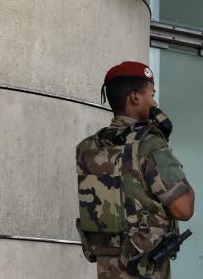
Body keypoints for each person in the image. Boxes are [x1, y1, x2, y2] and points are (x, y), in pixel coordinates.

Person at [75, 62, 195, 279]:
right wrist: (164, 151)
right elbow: (184, 208)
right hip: (147, 271)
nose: (155, 102)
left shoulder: (87, 148)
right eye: (151, 94)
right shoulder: (150, 144)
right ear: (135, 98)